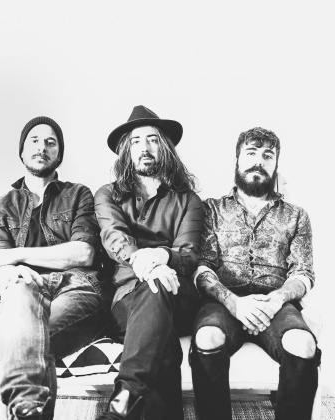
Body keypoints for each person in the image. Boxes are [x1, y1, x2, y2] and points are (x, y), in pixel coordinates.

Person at [0, 117, 111, 420]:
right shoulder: (1, 206)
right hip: (24, 288)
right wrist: (6, 272)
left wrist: (16, 255)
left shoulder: (78, 194)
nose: (42, 147)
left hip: (77, 285)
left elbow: (83, 253)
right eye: (34, 140)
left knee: (26, 342)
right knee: (20, 302)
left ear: (59, 153)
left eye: (50, 142)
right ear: (22, 151)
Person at [190, 127, 321, 420]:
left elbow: (303, 272)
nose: (259, 161)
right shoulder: (212, 209)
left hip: (277, 304)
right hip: (223, 302)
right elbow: (203, 268)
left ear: (276, 165)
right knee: (207, 337)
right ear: (237, 160)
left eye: (267, 155)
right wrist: (235, 303)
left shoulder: (296, 215)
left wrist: (276, 300)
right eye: (251, 153)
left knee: (303, 344)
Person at [94, 105, 204, 420]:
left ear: (164, 147)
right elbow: (114, 237)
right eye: (136, 141)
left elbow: (189, 254)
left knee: (159, 286)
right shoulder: (108, 195)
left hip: (178, 293)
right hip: (126, 299)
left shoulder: (188, 200)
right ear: (126, 151)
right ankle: (125, 405)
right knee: (164, 347)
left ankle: (123, 403)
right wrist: (144, 260)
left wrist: (163, 256)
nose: (144, 147)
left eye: (153, 139)